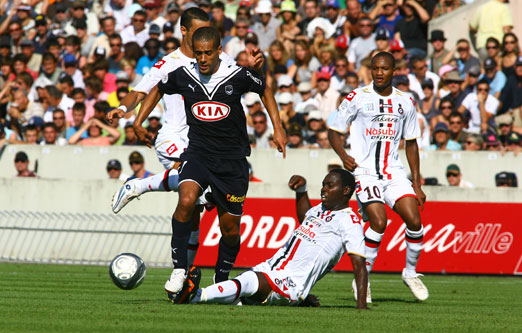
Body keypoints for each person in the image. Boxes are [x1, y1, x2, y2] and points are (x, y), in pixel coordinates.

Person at [130, 26, 286, 299]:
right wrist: (138, 120)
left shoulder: (237, 74)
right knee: (187, 200)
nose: (202, 58)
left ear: (218, 51)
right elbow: (158, 89)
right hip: (198, 154)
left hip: (232, 162)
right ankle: (180, 269)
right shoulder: (183, 74)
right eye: (198, 53)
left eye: (207, 53)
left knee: (229, 230)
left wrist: (278, 127)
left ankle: (221, 279)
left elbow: (266, 90)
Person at [109, 8, 265, 278]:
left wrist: (253, 69)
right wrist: (125, 112)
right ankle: (141, 184)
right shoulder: (168, 63)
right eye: (198, 31)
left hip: (205, 141)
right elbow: (140, 92)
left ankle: (185, 274)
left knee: (194, 212)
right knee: (194, 192)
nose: (205, 38)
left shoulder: (218, 57)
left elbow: (241, 79)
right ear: (184, 31)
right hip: (173, 138)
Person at [172, 170, 369, 309]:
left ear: (345, 191)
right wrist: (302, 190)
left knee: (247, 282)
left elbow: (359, 263)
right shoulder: (321, 209)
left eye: (330, 186)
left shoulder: (350, 221)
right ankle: (202, 296)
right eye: (324, 184)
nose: (324, 189)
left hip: (290, 281)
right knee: (242, 290)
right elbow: (304, 218)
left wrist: (361, 305)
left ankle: (195, 296)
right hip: (271, 268)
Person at [328, 52, 428, 302]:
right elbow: (334, 130)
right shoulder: (357, 97)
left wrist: (416, 183)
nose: (379, 72)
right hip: (364, 172)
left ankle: (410, 272)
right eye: (375, 68)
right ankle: (364, 279)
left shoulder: (406, 102)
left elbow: (412, 143)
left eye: (384, 68)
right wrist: (343, 155)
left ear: (394, 71)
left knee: (414, 220)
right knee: (379, 222)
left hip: (393, 172)